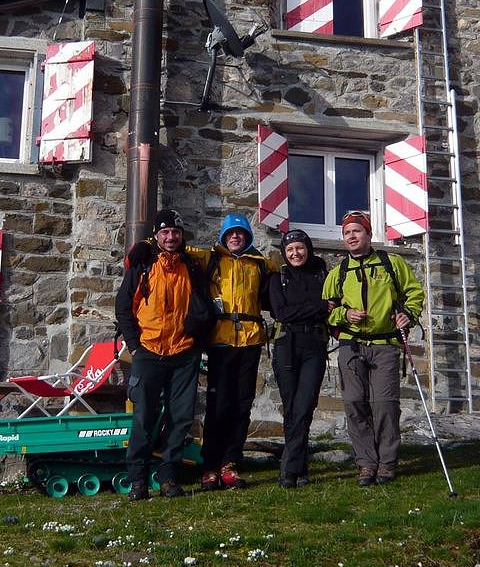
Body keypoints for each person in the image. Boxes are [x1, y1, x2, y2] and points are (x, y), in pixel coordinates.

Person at [322, 211, 424, 487]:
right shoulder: (338, 272)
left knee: (384, 405)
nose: (352, 236)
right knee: (354, 403)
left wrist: (408, 315)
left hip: (385, 345)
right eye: (347, 233)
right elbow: (325, 310)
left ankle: (387, 463)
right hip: (351, 346)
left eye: (357, 231)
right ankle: (366, 464)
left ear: (368, 234)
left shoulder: (392, 263)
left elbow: (414, 293)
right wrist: (345, 315)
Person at [115, 209, 211, 501]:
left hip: (184, 353)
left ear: (182, 236)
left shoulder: (192, 266)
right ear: (156, 235)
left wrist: (197, 343)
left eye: (176, 233)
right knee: (144, 417)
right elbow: (123, 308)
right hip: (148, 351)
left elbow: (205, 306)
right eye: (165, 232)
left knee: (180, 418)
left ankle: (168, 477)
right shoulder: (143, 264)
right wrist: (134, 346)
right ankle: (138, 481)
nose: (171, 237)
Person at [197, 214, 275, 491]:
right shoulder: (211, 258)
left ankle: (230, 463)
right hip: (221, 343)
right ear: (223, 236)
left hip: (251, 341)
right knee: (219, 406)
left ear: (248, 236)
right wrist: (148, 244)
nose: (235, 237)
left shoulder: (261, 264)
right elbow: (180, 249)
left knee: (243, 405)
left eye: (240, 233)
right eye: (231, 233)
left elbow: (286, 271)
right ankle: (209, 466)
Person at [267, 228, 335, 488]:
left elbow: (333, 307)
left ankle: (289, 468)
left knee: (304, 406)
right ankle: (298, 468)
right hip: (287, 346)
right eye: (290, 250)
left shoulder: (322, 277)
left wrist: (311, 311)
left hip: (314, 347)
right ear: (285, 254)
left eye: (300, 248)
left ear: (308, 249)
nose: (296, 253)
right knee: (292, 407)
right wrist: (317, 307)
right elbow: (282, 313)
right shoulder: (278, 279)